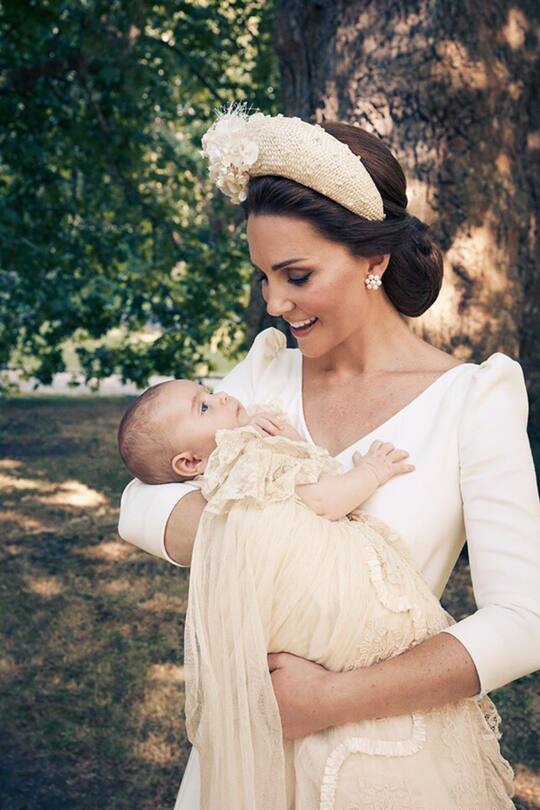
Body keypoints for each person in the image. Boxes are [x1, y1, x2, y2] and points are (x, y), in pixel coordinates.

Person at [118, 104, 540, 809]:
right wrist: (285, 524)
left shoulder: (473, 400)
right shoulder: (267, 376)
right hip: (247, 759)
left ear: (374, 259)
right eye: (262, 277)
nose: (275, 302)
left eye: (297, 276)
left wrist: (329, 699)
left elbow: (524, 623)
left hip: (390, 756)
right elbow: (140, 502)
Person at [116, 376, 515, 808]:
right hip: (340, 621)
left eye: (207, 393)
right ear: (189, 463)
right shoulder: (242, 458)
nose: (222, 396)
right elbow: (322, 501)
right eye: (204, 407)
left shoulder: (236, 458)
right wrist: (370, 472)